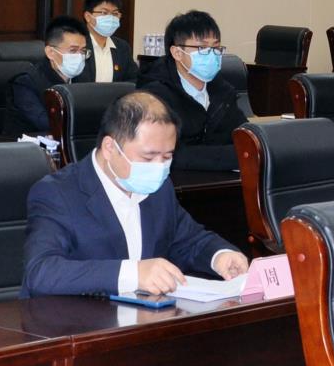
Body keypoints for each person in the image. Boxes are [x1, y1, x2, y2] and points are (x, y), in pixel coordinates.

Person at [21, 90, 249, 297]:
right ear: (110, 148)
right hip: (73, 321)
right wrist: (134, 273)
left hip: (141, 318)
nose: (159, 167)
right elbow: (41, 272)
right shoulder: (57, 193)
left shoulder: (158, 188)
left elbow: (187, 239)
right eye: (148, 157)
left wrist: (219, 255)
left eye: (167, 156)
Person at [135, 10, 245, 172]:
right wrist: (235, 156)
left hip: (219, 179)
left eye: (216, 47)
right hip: (174, 180)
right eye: (202, 48)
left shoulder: (222, 90)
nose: (212, 54)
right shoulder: (155, 96)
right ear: (177, 53)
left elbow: (243, 135)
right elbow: (168, 153)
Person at [8, 16, 90, 138]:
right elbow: (46, 124)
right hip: (28, 147)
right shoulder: (25, 82)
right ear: (50, 52)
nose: (79, 57)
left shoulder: (83, 79)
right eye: (73, 51)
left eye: (83, 51)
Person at [78, 0, 138, 83]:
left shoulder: (122, 47)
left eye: (115, 13)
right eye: (104, 13)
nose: (111, 18)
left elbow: (133, 80)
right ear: (88, 16)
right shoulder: (76, 45)